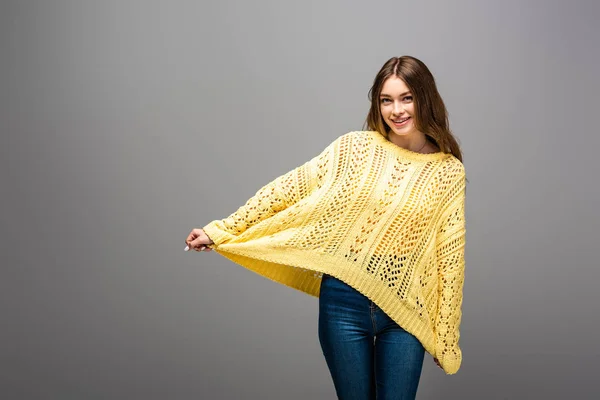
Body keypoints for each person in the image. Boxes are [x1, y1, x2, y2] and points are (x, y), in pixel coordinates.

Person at [185, 55, 466, 400]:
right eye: (386, 100)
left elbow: (449, 258)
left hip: (406, 308)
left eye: (407, 97)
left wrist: (446, 335)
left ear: (425, 98)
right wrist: (222, 229)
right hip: (343, 301)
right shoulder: (354, 148)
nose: (397, 110)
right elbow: (288, 189)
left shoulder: (448, 172)